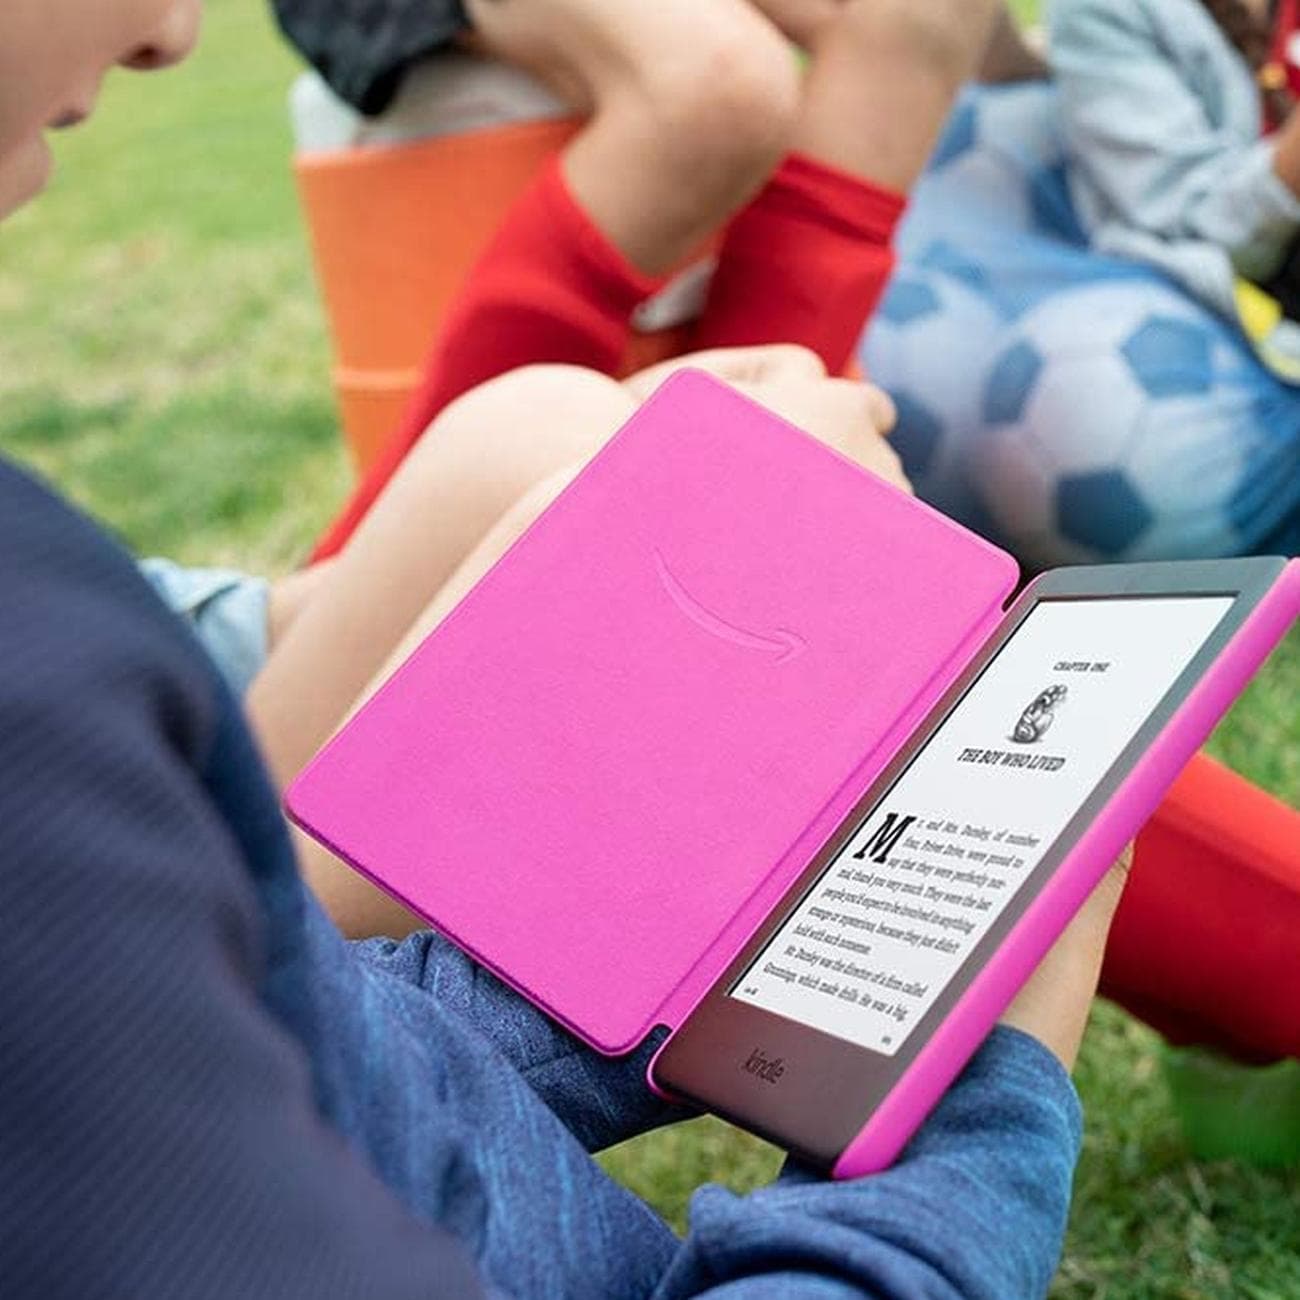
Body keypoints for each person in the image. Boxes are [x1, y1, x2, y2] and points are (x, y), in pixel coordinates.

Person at [2, 1, 1136, 1295]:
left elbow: (324, 1025)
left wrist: (656, 957)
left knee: (552, 442)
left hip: (350, 1024)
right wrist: (983, 1108)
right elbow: (244, 1021)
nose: (171, 33)